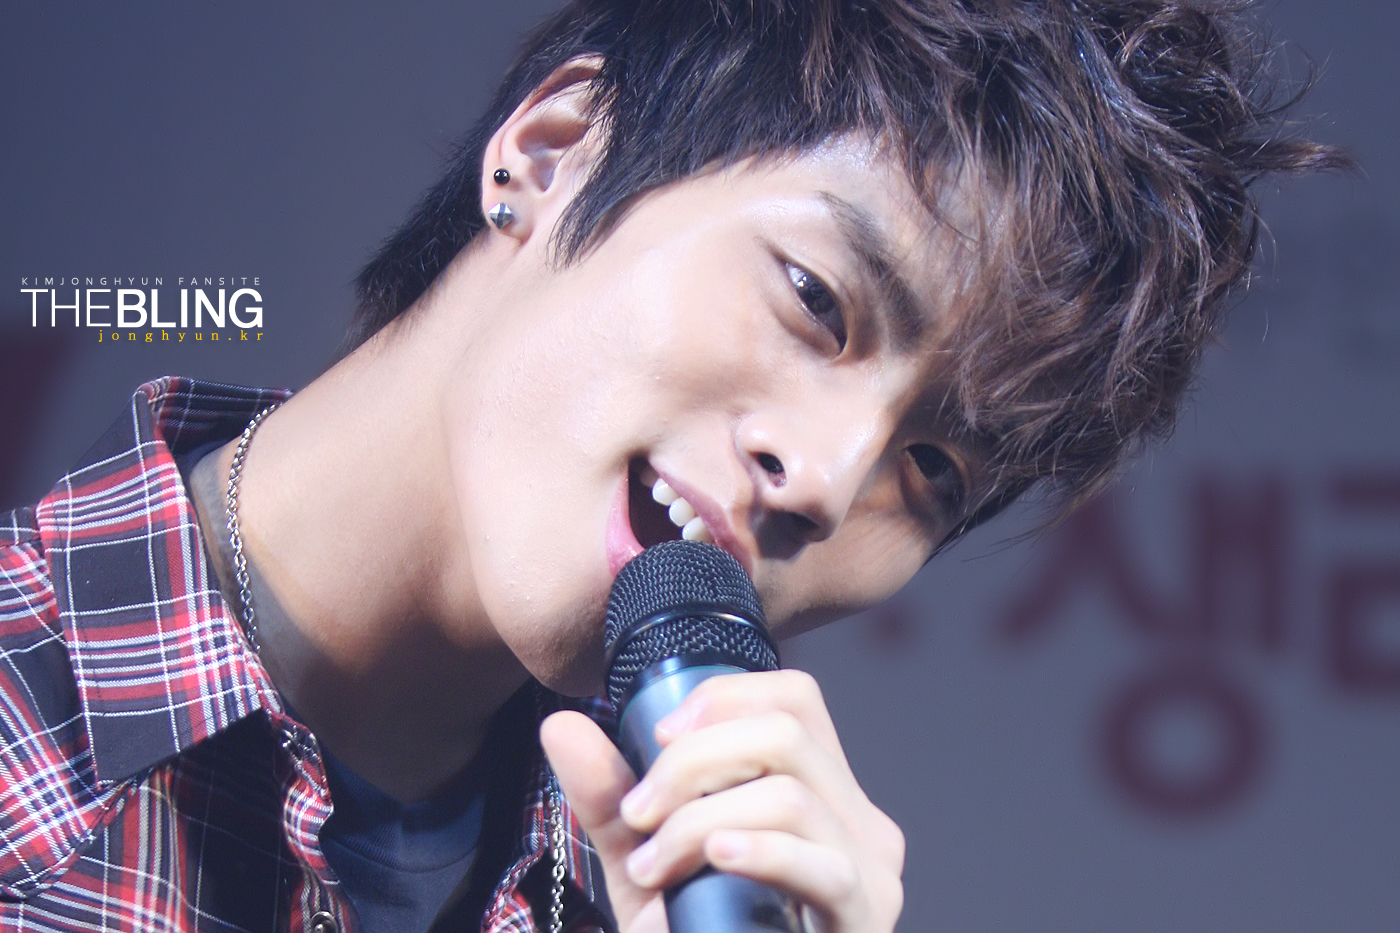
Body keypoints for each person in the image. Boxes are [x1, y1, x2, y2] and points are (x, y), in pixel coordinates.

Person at [0, 0, 1348, 931]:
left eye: (935, 468)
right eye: (816, 299)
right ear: (553, 151)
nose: (829, 479)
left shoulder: (662, 894)